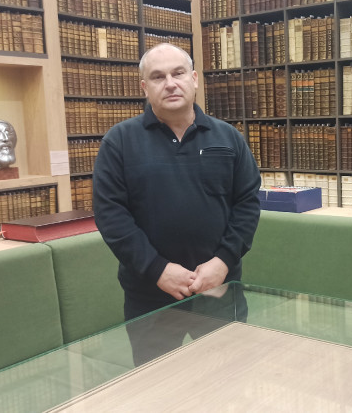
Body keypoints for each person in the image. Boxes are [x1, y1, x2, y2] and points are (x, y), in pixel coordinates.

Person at [93, 43, 261, 364]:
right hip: (150, 294)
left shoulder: (228, 138)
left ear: (194, 79)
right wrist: (157, 269)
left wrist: (223, 261)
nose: (170, 83)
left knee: (227, 376)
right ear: (145, 87)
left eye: (178, 73)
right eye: (158, 77)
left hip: (219, 288)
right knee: (158, 383)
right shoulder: (119, 142)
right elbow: (111, 215)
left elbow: (247, 203)